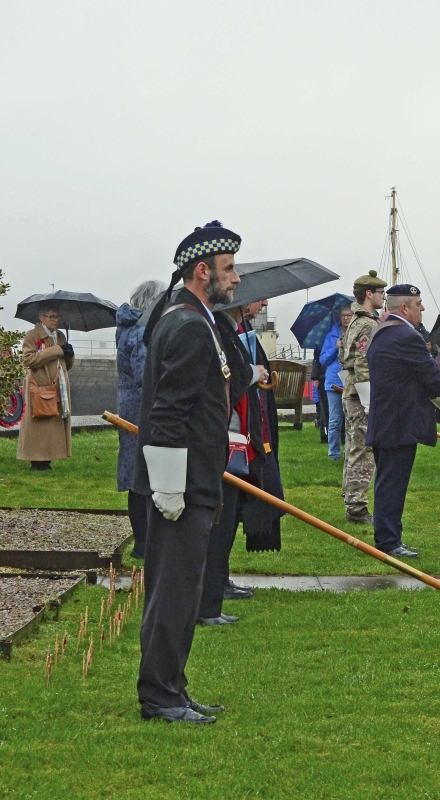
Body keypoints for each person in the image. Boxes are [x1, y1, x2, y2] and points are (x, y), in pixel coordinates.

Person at [134, 220, 256, 724]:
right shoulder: (185, 324)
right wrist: (166, 487)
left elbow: (224, 386)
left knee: (182, 591)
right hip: (179, 485)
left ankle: (173, 690)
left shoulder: (199, 319)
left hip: (196, 478)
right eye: (229, 269)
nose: (238, 279)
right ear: (202, 270)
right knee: (174, 592)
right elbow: (167, 412)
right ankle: (160, 696)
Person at [197, 298, 286, 626]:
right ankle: (207, 606)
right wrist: (252, 372)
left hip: (241, 441)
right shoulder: (219, 330)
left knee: (227, 523)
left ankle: (214, 597)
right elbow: (225, 380)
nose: (262, 303)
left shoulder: (236, 331)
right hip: (226, 441)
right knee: (218, 527)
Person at [367, 284, 440, 559]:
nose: (423, 308)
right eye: (418, 303)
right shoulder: (406, 335)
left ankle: (388, 536)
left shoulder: (381, 331)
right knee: (393, 484)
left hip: (385, 418)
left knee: (387, 482)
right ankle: (388, 541)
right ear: (404, 308)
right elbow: (431, 377)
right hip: (399, 422)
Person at [116, 280, 164, 559]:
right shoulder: (141, 331)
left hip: (131, 407)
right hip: (142, 411)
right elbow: (146, 377)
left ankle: (144, 543)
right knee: (142, 477)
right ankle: (145, 544)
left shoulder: (127, 327)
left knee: (137, 474)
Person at [339, 271, 386, 524]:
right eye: (380, 293)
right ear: (369, 294)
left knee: (354, 448)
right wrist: (370, 403)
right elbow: (363, 363)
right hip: (362, 396)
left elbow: (343, 357)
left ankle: (351, 497)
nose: (383, 297)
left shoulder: (355, 321)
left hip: (352, 393)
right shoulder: (367, 324)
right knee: (363, 450)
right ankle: (356, 506)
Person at [17, 304, 74, 471]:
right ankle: (36, 461)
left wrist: (69, 355)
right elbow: (29, 360)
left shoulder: (61, 336)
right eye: (51, 316)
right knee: (39, 423)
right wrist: (57, 350)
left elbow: (65, 364)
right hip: (39, 385)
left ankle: (48, 459)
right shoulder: (32, 335)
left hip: (58, 384)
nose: (55, 320)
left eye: (57, 317)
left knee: (53, 422)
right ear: (41, 318)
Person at [319, 304, 352, 459]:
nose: (346, 318)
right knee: (335, 420)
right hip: (333, 382)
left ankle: (349, 451)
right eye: (343, 315)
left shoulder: (356, 333)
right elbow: (323, 360)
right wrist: (335, 347)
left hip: (351, 380)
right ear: (339, 317)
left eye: (349, 315)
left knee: (352, 420)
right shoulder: (331, 335)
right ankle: (333, 454)